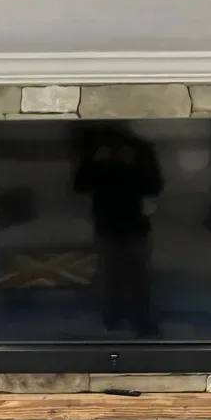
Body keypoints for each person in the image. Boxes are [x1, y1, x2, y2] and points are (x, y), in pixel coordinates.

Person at [74, 127, 163, 336]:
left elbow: (155, 186)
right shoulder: (95, 150)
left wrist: (133, 163)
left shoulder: (140, 149)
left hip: (135, 227)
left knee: (139, 276)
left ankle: (142, 320)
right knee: (109, 276)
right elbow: (80, 186)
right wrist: (94, 161)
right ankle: (111, 318)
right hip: (107, 227)